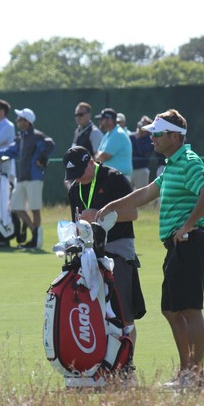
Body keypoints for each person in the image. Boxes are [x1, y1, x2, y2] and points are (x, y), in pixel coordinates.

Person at [97, 109, 204, 390]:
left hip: (190, 242)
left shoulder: (188, 161)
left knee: (189, 309)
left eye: (158, 133)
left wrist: (188, 225)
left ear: (174, 137)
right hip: (177, 246)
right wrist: (113, 206)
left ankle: (196, 375)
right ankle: (187, 372)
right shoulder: (171, 165)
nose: (152, 137)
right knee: (171, 310)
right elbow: (147, 192)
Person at [64, 145, 146, 351]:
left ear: (91, 162)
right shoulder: (75, 188)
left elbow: (133, 213)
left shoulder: (113, 178)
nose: (78, 179)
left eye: (80, 173)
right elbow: (75, 223)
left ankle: (126, 367)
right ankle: (100, 367)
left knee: (123, 317)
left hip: (118, 251)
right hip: (90, 254)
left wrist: (98, 214)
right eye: (74, 175)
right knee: (94, 313)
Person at [9, 108, 54, 249]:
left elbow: (50, 144)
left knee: (35, 209)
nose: (17, 121)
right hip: (22, 177)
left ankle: (36, 240)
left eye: (20, 119)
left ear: (27, 122)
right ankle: (35, 232)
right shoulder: (21, 137)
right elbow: (10, 151)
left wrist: (42, 158)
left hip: (34, 177)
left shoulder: (36, 135)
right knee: (16, 206)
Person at [95, 108, 133, 179]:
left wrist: (99, 155)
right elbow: (98, 154)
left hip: (120, 177)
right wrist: (99, 155)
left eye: (101, 119)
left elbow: (104, 156)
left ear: (109, 120)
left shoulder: (118, 134)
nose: (99, 122)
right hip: (113, 177)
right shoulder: (108, 134)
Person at [130, 115, 154, 189]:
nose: (141, 125)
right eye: (141, 122)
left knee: (142, 197)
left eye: (144, 123)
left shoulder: (150, 139)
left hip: (141, 170)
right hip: (130, 170)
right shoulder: (131, 136)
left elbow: (142, 152)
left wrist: (138, 139)